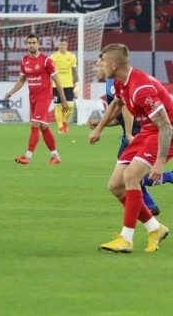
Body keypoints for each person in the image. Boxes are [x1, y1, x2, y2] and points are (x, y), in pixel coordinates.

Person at [89, 43, 172, 253]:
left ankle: (126, 238)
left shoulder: (141, 88)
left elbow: (165, 126)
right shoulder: (120, 83)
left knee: (131, 177)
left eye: (103, 61)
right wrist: (99, 129)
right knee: (116, 185)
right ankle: (155, 228)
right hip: (147, 131)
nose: (100, 64)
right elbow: (117, 104)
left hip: (163, 133)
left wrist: (160, 162)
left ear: (114, 64)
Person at [5, 33, 68, 165]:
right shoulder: (24, 61)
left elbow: (57, 81)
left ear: (38, 44)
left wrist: (63, 101)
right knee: (43, 127)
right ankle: (55, 156)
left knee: (34, 125)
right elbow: (22, 80)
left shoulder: (46, 60)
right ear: (27, 44)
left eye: (34, 42)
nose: (32, 45)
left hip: (44, 97)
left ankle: (27, 157)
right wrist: (11, 92)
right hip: (32, 98)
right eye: (30, 43)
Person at [50, 37, 78, 134]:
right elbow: (49, 71)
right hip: (56, 85)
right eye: (60, 45)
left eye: (64, 45)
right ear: (58, 46)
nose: (62, 47)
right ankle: (61, 127)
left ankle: (64, 121)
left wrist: (77, 82)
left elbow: (75, 71)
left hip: (68, 85)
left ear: (67, 45)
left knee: (70, 106)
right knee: (58, 106)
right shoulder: (53, 57)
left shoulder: (72, 56)